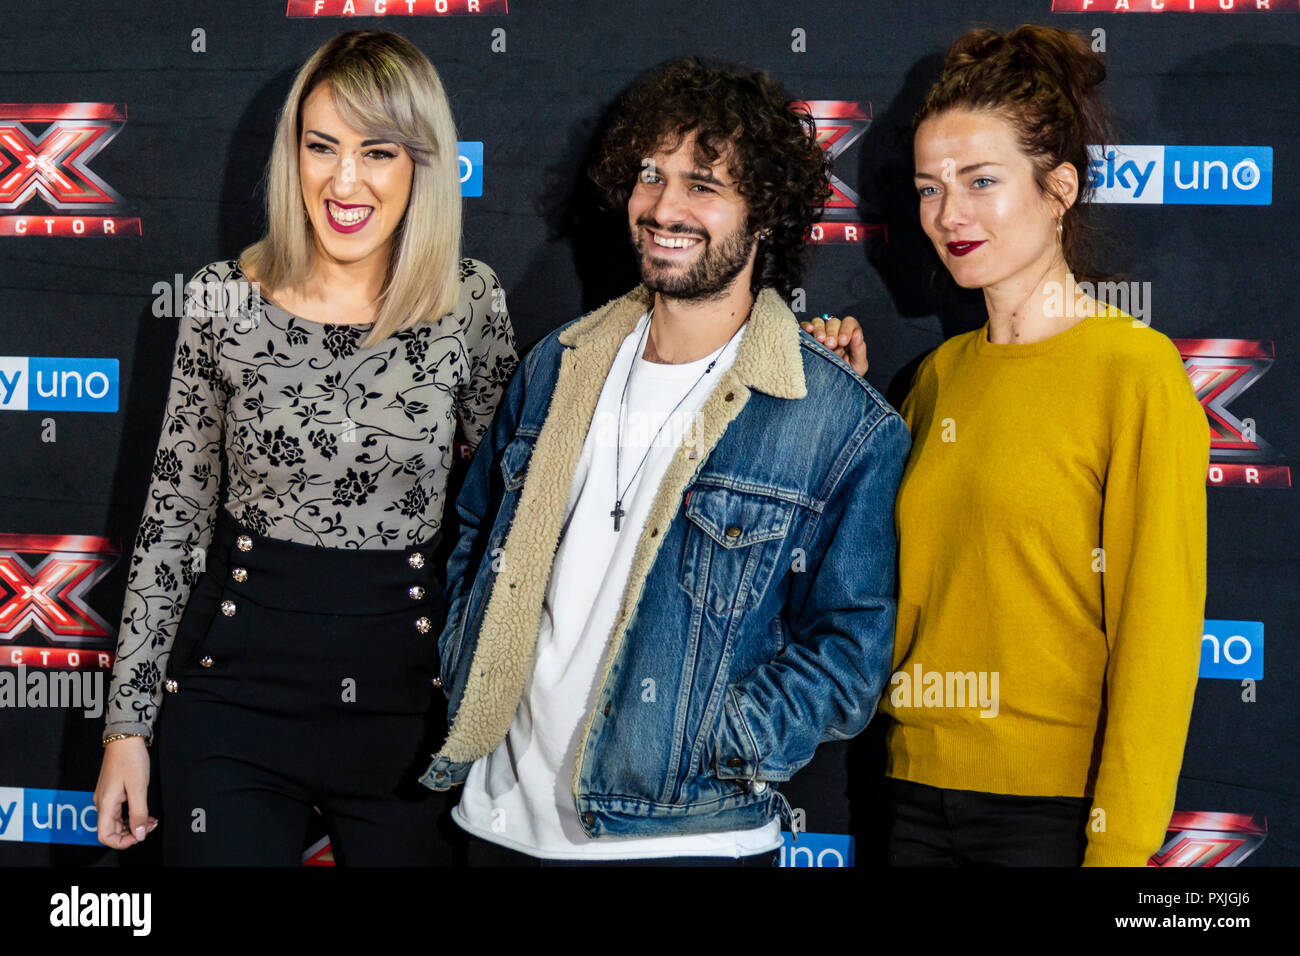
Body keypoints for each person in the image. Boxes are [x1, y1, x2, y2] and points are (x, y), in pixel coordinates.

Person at [417, 56, 910, 866]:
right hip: (499, 825)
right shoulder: (556, 367)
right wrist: (470, 660)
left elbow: (851, 653)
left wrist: (716, 739)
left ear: (767, 216)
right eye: (651, 175)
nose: (665, 206)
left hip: (686, 838)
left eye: (704, 184)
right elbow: (475, 529)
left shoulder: (839, 425)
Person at [94, 30, 517, 865]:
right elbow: (172, 522)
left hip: (408, 713)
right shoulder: (223, 301)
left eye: (378, 151)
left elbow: (520, 506)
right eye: (321, 146)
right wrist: (127, 727)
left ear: (423, 166)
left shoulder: (467, 302)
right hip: (232, 703)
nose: (344, 180)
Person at [813, 25, 1208, 866]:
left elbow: (1159, 645)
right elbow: (887, 589)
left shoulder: (1135, 373)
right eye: (929, 187)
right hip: (907, 799)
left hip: (1053, 819)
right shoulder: (936, 379)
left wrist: (1120, 848)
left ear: (1058, 187)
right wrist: (841, 413)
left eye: (981, 181)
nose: (948, 213)